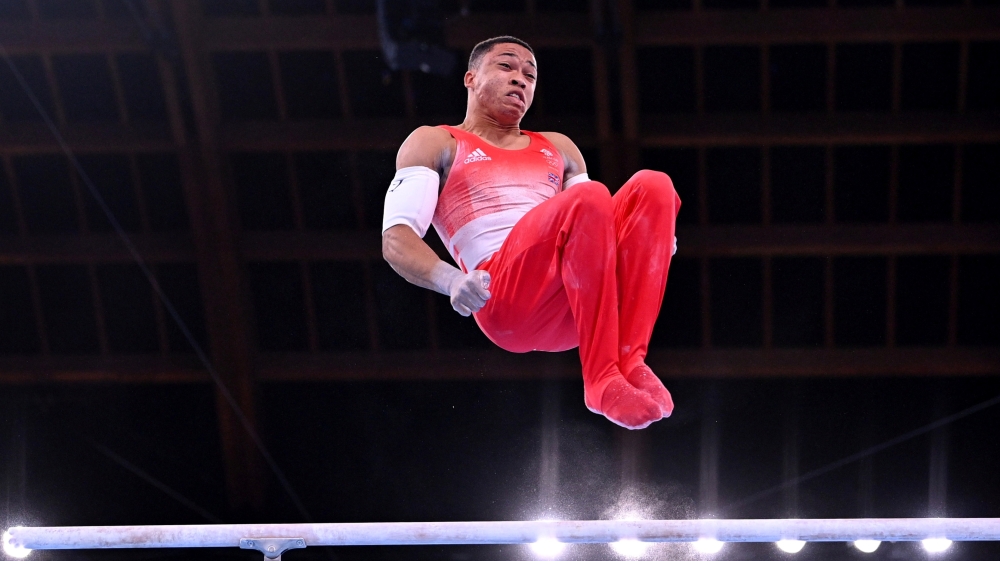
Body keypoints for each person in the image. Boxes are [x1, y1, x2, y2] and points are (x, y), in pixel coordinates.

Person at [381, 36, 681, 429]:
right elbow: (396, 238)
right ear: (470, 78)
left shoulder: (559, 147)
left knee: (654, 187)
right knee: (590, 196)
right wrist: (452, 280)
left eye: (530, 74)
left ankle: (630, 360)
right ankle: (601, 378)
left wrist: (648, 237)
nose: (520, 80)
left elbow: (598, 225)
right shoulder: (437, 141)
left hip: (575, 305)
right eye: (506, 67)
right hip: (504, 297)